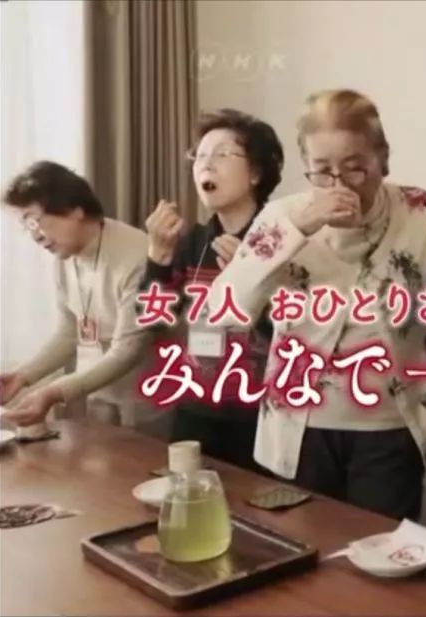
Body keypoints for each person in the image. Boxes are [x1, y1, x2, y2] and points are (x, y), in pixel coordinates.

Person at [206, 89, 426, 520]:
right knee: (306, 550)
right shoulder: (282, 217)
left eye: (356, 168)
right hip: (300, 428)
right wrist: (295, 231)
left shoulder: (419, 210)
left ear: (383, 160)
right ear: (306, 166)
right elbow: (222, 313)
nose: (340, 185)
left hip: (388, 425)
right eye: (323, 172)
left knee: (384, 551)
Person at [140, 108, 284, 472]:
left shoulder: (282, 240)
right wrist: (157, 258)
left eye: (221, 154)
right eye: (200, 155)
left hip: (260, 415)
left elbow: (297, 333)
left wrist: (251, 278)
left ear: (255, 173)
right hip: (196, 407)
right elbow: (152, 322)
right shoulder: (193, 241)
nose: (206, 164)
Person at [0, 161, 170, 437]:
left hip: (145, 399)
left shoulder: (137, 256)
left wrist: (54, 392)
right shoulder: (64, 255)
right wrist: (23, 376)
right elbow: (70, 331)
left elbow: (128, 350)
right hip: (97, 397)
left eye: (34, 221)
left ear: (74, 210)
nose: (34, 236)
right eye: (26, 226)